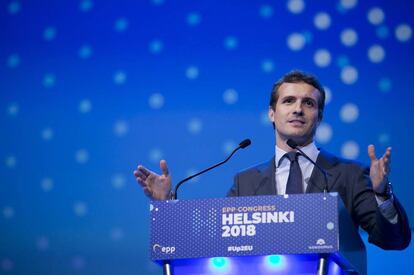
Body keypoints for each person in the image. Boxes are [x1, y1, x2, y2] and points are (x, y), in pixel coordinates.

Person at [134, 70, 411, 250]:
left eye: (309, 103)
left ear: (319, 116)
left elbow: (394, 240)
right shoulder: (246, 182)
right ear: (271, 113)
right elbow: (214, 243)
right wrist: (167, 207)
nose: (298, 109)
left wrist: (381, 193)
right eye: (288, 101)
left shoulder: (349, 174)